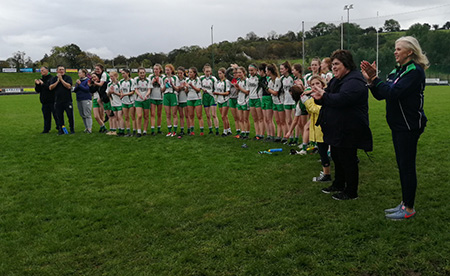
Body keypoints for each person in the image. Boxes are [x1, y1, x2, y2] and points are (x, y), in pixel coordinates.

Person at [361, 36, 428, 220]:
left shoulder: (414, 71)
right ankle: (405, 203)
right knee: (402, 165)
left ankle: (409, 208)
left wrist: (376, 78)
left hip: (408, 126)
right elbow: (381, 95)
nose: (395, 52)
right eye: (395, 48)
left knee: (406, 166)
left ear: (410, 52)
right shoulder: (397, 71)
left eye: (399, 49)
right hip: (398, 125)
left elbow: (393, 93)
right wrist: (371, 81)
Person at [312, 50, 372, 200]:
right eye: (332, 64)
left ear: (346, 64)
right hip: (337, 127)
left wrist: (324, 96)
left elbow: (341, 99)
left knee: (348, 159)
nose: (333, 67)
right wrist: (319, 97)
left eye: (337, 64)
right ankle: (339, 184)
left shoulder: (355, 81)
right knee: (337, 157)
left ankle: (351, 191)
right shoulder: (337, 79)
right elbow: (328, 95)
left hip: (350, 128)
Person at [301, 76, 332, 182]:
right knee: (322, 152)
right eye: (312, 84)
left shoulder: (326, 96)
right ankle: (326, 174)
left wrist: (306, 102)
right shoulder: (313, 97)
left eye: (317, 84)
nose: (315, 86)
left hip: (326, 129)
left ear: (323, 85)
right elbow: (312, 112)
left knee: (333, 152)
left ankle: (329, 174)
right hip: (318, 129)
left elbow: (319, 110)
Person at [49, 65, 74, 135]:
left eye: (63, 69)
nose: (61, 71)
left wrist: (61, 80)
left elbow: (69, 86)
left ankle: (72, 129)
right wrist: (57, 81)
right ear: (57, 71)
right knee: (59, 116)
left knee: (70, 116)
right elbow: (50, 87)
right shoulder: (54, 79)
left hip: (67, 100)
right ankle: (61, 129)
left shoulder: (68, 78)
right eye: (60, 69)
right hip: (58, 101)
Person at [34, 66, 56, 133]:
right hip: (44, 101)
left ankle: (60, 127)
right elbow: (38, 91)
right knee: (46, 117)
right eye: (40, 70)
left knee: (56, 116)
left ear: (47, 70)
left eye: (43, 70)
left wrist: (43, 84)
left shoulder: (52, 78)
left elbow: (50, 88)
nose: (41, 72)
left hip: (53, 100)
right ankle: (46, 129)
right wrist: (37, 85)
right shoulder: (41, 79)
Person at [266, 63, 285, 143]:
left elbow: (275, 92)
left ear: (270, 71)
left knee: (282, 121)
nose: (266, 72)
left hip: (280, 102)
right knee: (277, 120)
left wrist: (267, 89)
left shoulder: (277, 80)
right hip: (274, 102)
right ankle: (278, 136)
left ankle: (284, 137)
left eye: (266, 71)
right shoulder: (270, 80)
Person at [200, 64, 220, 135]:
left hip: (212, 97)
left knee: (214, 114)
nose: (207, 73)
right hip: (205, 97)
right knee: (208, 115)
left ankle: (217, 130)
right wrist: (203, 89)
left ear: (210, 72)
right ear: (204, 71)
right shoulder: (201, 78)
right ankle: (210, 129)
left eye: (209, 71)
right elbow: (199, 86)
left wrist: (212, 93)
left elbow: (216, 89)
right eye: (206, 71)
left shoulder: (213, 79)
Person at [280, 61, 295, 144]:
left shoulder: (292, 77)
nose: (281, 70)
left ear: (286, 69)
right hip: (286, 101)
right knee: (288, 120)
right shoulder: (282, 79)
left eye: (282, 69)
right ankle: (291, 137)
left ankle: (296, 138)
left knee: (294, 120)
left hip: (293, 101)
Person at [213, 67, 231, 136]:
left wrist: (218, 94)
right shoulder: (218, 82)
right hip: (219, 100)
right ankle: (229, 129)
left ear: (224, 74)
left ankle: (225, 131)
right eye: (218, 74)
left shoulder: (226, 82)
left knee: (223, 116)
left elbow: (227, 92)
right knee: (225, 116)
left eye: (220, 73)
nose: (219, 75)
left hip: (225, 100)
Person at [185, 67, 203, 135]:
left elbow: (198, 90)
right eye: (189, 72)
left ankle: (201, 131)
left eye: (191, 72)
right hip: (189, 99)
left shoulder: (198, 80)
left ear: (194, 73)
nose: (189, 73)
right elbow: (186, 91)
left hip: (197, 98)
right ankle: (192, 131)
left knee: (199, 115)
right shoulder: (187, 80)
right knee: (191, 115)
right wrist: (186, 87)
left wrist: (191, 86)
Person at [73, 69, 93, 133]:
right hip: (79, 98)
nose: (79, 74)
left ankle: (89, 128)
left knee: (87, 114)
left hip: (86, 99)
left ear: (84, 73)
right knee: (82, 114)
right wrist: (77, 85)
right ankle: (86, 127)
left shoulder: (88, 81)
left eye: (80, 73)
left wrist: (80, 84)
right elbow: (75, 90)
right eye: (78, 73)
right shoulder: (79, 81)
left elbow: (87, 89)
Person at [163, 64, 179, 137]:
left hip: (173, 95)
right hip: (166, 95)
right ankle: (169, 131)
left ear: (171, 70)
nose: (167, 71)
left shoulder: (175, 78)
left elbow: (177, 88)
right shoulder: (164, 78)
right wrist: (164, 84)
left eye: (168, 70)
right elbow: (162, 90)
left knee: (174, 114)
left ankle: (174, 131)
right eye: (165, 70)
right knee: (167, 114)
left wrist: (172, 85)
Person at [234, 67, 250, 139]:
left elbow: (247, 92)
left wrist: (239, 88)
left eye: (240, 72)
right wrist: (237, 88)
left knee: (245, 118)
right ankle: (242, 132)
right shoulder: (238, 81)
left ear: (244, 73)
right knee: (240, 118)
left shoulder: (247, 81)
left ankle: (247, 133)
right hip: (239, 100)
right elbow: (238, 92)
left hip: (245, 101)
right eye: (237, 73)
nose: (239, 74)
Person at [134, 67, 151, 137]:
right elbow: (136, 89)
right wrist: (140, 95)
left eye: (143, 73)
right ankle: (138, 131)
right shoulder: (136, 79)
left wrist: (146, 95)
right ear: (138, 73)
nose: (142, 74)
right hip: (138, 100)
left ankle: (145, 131)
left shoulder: (148, 80)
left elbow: (149, 89)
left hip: (146, 99)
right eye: (140, 73)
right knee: (139, 115)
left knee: (146, 116)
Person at [119, 69, 136, 137]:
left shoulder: (131, 81)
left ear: (128, 73)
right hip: (124, 101)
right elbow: (121, 90)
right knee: (126, 117)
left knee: (133, 117)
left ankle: (134, 131)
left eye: (124, 73)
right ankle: (128, 131)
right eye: (122, 73)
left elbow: (132, 91)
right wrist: (121, 94)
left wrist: (124, 95)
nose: (123, 75)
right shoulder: (121, 81)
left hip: (131, 101)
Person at [149, 64, 165, 135]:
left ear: (160, 70)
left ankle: (159, 128)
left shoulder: (163, 77)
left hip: (160, 97)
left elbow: (164, 88)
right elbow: (148, 86)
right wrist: (152, 82)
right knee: (152, 114)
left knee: (159, 114)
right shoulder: (150, 76)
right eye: (154, 69)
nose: (155, 70)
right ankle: (152, 130)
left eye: (157, 69)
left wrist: (159, 82)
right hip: (152, 97)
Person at [107, 71, 124, 136]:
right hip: (113, 103)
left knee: (120, 117)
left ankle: (122, 130)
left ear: (116, 76)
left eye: (112, 76)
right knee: (116, 117)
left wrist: (114, 92)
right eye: (110, 76)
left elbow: (121, 94)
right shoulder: (109, 84)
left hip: (119, 102)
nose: (111, 78)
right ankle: (118, 130)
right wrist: (109, 92)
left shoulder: (119, 84)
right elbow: (108, 94)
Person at [176, 67, 188, 136]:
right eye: (178, 73)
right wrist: (180, 88)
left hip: (185, 99)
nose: (180, 74)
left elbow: (187, 91)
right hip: (179, 99)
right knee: (181, 115)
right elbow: (176, 89)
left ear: (184, 73)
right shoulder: (176, 80)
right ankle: (182, 129)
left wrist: (185, 87)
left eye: (181, 73)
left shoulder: (186, 80)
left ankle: (189, 129)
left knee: (187, 115)